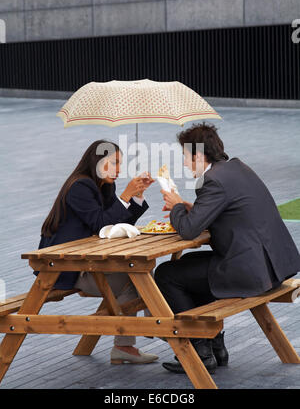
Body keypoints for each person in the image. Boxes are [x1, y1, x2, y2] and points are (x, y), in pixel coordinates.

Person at [155, 123, 300, 375]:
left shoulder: (212, 181)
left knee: (167, 274)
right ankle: (215, 347)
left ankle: (199, 350)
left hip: (251, 272)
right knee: (192, 270)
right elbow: (226, 211)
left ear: (199, 156)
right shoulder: (238, 168)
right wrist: (193, 209)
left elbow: (188, 230)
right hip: (271, 266)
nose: (186, 165)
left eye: (186, 158)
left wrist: (177, 205)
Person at [37, 140, 158, 365]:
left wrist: (137, 195)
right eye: (114, 163)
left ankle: (136, 337)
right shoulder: (79, 187)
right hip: (65, 268)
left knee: (140, 273)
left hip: (85, 261)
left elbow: (118, 221)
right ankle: (155, 326)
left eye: (120, 163)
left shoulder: (104, 186)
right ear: (98, 162)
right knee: (136, 276)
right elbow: (99, 223)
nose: (118, 170)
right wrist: (125, 196)